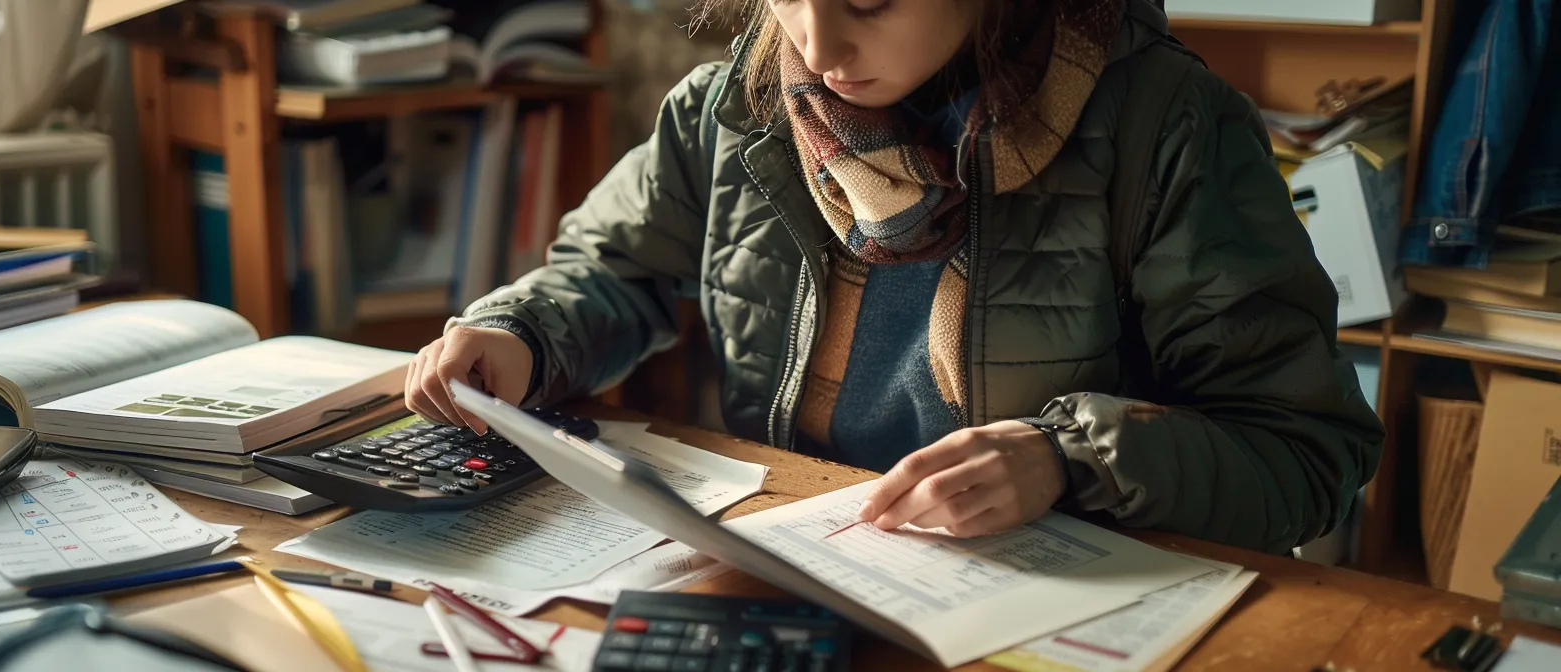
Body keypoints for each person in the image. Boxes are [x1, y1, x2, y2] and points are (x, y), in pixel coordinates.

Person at [404, 0, 1384, 555]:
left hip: (1052, 606)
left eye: (868, 0)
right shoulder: (732, 108)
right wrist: (522, 333)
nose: (818, 48)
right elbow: (612, 271)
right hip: (807, 568)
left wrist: (1067, 460)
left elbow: (1302, 454)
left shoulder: (1162, 126)